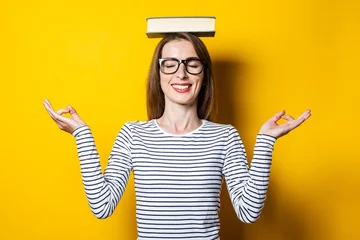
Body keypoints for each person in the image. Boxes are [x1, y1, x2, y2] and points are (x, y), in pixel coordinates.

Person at [43, 32, 311, 240]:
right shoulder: (132, 134)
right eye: (170, 64)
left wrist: (265, 142)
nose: (181, 73)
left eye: (192, 64)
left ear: (204, 75)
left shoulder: (225, 137)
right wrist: (82, 135)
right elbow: (102, 206)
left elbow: (248, 212)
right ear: (158, 75)